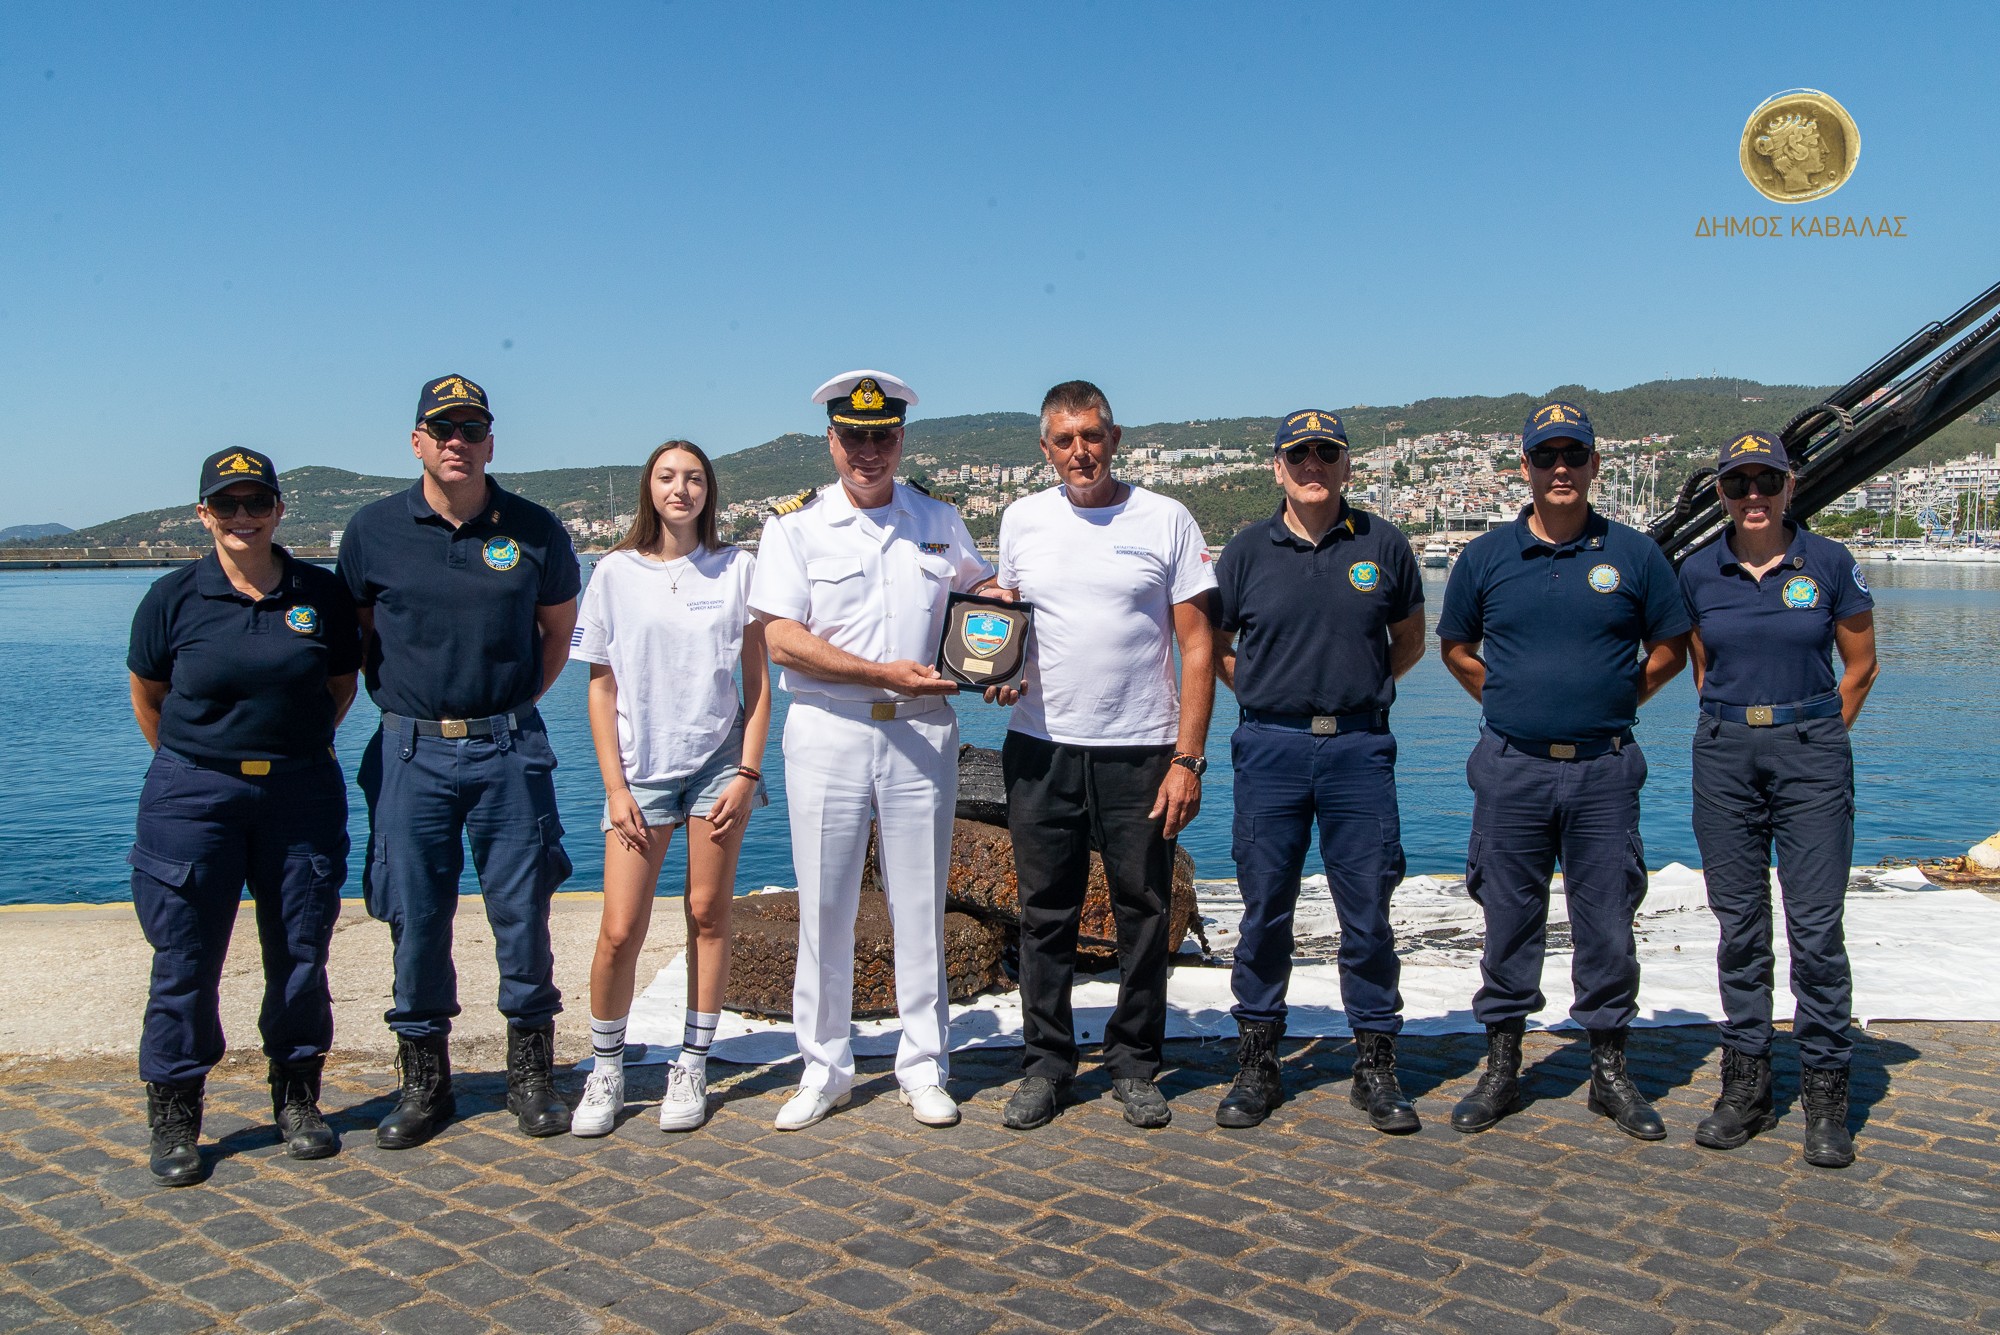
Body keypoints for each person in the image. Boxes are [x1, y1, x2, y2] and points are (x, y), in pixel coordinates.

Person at [747, 370, 1000, 1131]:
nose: (868, 450)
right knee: (825, 905)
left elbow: (981, 596)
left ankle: (924, 1064)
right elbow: (781, 639)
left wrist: (1000, 621)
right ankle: (824, 1067)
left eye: (882, 436)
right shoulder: (794, 527)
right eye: (854, 436)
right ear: (831, 441)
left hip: (921, 728)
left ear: (900, 439)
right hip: (830, 727)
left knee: (918, 902)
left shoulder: (938, 518)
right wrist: (877, 672)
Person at [337, 374, 582, 1147]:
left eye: (471, 429)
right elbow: (357, 636)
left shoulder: (535, 529)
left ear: (490, 443)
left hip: (509, 748)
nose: (457, 442)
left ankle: (530, 1078)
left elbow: (557, 634)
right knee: (414, 916)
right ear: (416, 441)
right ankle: (425, 1084)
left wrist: (505, 707)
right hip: (410, 750)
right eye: (443, 429)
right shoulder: (372, 531)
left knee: (523, 913)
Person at [1437, 401, 1690, 1140]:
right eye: (1546, 456)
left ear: (1594, 466)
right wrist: (1508, 701)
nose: (1560, 469)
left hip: (1603, 770)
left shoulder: (1635, 555)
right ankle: (1502, 1066)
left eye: (1573, 456)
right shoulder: (1485, 557)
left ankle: (1609, 1069)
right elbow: (1455, 648)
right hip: (1511, 768)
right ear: (1524, 466)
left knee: (1607, 921)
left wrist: (1618, 699)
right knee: (1507, 918)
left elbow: (1671, 647)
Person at [125, 448, 361, 1185]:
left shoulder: (319, 593)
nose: (243, 516)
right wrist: (202, 764)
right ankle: (175, 1112)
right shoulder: (171, 597)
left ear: (279, 510)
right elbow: (149, 693)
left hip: (299, 791)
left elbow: (341, 684)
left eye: (257, 502)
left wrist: (288, 750)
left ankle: (297, 1097)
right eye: (226, 504)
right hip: (194, 796)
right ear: (204, 514)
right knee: (184, 956)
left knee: (300, 951)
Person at [996, 380, 1216, 1131]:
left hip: (1142, 749)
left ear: (1115, 438)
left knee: (1144, 911)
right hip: (1040, 745)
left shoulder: (1166, 518)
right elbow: (1005, 623)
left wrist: (1188, 758)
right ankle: (1046, 1064)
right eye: (1064, 440)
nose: (1080, 451)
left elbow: (1197, 646)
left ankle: (1134, 1063)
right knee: (1043, 913)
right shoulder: (1021, 519)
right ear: (1045, 449)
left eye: (1092, 435)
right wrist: (996, 670)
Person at [1209, 410, 1426, 1131]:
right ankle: (1257, 1062)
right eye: (1298, 454)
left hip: (1358, 749)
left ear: (1345, 465)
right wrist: (1268, 697)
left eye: (1326, 453)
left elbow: (1409, 639)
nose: (1313, 465)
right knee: (1264, 909)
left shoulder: (1383, 544)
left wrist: (1356, 691)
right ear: (1277, 467)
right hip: (1269, 748)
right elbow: (1219, 646)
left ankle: (1376, 1064)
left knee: (1367, 911)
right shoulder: (1246, 551)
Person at [1679, 430, 1878, 1168]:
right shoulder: (1698, 571)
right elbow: (1704, 669)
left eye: (1767, 481)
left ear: (1791, 486)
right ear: (1722, 494)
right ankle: (1747, 1085)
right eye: (1739, 484)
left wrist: (1814, 736)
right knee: (1739, 925)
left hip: (1809, 751)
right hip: (1726, 752)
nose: (1753, 495)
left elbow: (1861, 665)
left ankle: (1825, 1092)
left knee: (1816, 928)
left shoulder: (1829, 562)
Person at [568, 440, 770, 1137]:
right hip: (641, 772)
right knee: (620, 928)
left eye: (693, 478)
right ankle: (607, 1066)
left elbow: (758, 684)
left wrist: (747, 772)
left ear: (709, 491)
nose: (680, 489)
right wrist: (614, 787)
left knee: (708, 912)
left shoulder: (737, 568)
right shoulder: (614, 572)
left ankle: (692, 1060)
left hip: (718, 766)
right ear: (648, 488)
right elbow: (601, 688)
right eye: (666, 477)